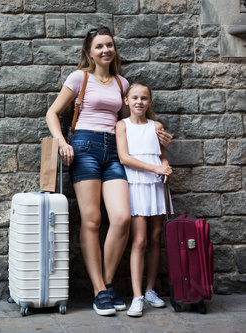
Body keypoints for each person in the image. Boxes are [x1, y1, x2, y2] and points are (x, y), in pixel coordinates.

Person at [45, 26, 173, 316]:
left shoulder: (121, 84)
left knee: (121, 218)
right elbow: (52, 113)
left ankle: (108, 281)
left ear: (114, 50)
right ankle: (99, 290)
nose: (105, 50)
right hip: (84, 147)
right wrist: (62, 142)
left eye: (110, 45)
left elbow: (135, 120)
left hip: (114, 151)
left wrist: (159, 135)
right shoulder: (80, 78)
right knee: (92, 220)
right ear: (90, 51)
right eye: (99, 46)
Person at [115, 83, 174, 317]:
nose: (139, 102)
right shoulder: (122, 125)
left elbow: (162, 157)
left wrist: (166, 168)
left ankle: (150, 290)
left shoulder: (156, 126)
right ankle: (137, 295)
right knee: (138, 240)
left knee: (155, 238)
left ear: (149, 102)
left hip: (156, 186)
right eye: (135, 98)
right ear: (126, 101)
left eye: (144, 98)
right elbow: (124, 157)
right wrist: (155, 168)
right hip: (136, 185)